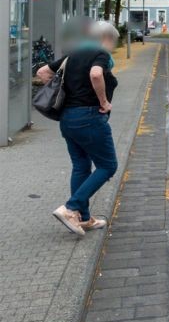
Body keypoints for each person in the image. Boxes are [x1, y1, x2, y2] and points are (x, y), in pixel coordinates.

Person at [37, 21, 119, 236]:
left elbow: (43, 72)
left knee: (81, 166)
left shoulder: (72, 55)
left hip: (68, 119)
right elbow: (95, 74)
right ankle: (70, 207)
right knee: (108, 166)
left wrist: (67, 95)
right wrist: (103, 101)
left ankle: (83, 219)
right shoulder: (98, 53)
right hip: (89, 117)